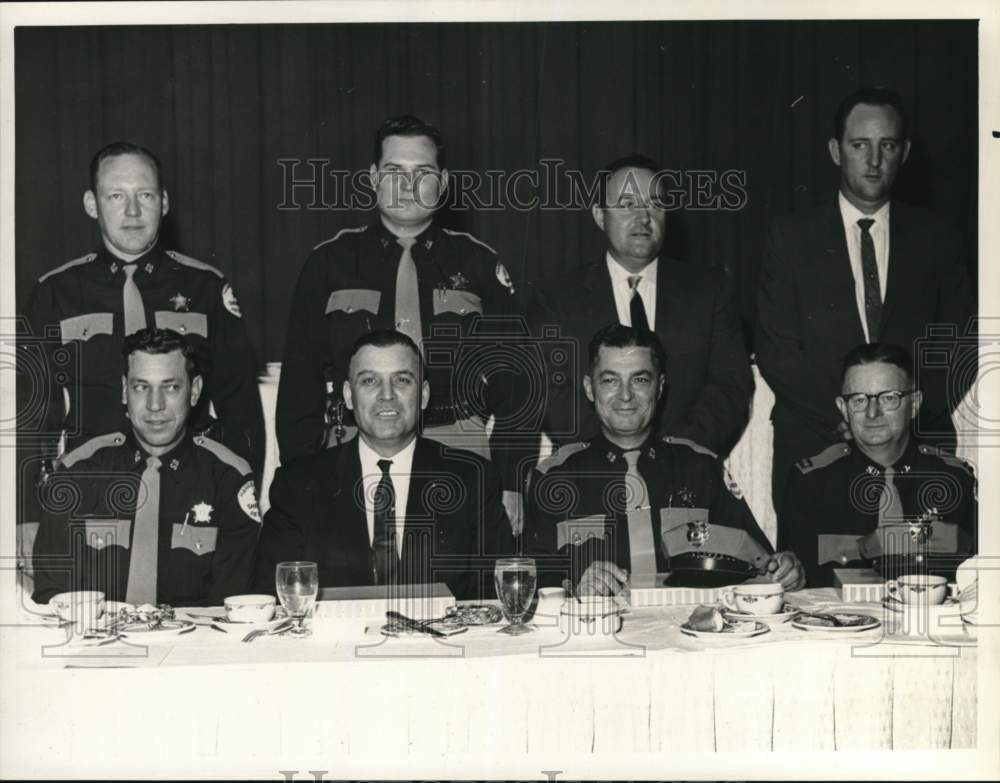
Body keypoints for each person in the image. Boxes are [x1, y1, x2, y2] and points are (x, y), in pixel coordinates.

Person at [276, 115, 536, 531]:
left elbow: (518, 387)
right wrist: (302, 475)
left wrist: (511, 480)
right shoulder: (329, 264)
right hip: (353, 449)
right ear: (374, 178)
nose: (409, 186)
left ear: (444, 183)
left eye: (423, 173)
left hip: (457, 450)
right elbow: (298, 387)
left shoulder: (480, 265)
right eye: (395, 172)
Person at [18, 142, 265, 524]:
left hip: (193, 497)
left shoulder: (206, 289)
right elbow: (33, 418)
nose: (132, 211)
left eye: (145, 195)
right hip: (90, 491)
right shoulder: (55, 293)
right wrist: (28, 516)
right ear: (91, 203)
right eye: (116, 195)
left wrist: (241, 501)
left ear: (164, 202)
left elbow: (242, 412)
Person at [755, 87, 974, 515]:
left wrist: (901, 416)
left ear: (904, 152)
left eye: (886, 145)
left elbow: (960, 343)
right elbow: (777, 349)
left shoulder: (939, 239)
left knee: (925, 576)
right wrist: (854, 417)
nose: (874, 160)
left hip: (917, 446)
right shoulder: (791, 237)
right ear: (837, 151)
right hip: (818, 445)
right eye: (860, 145)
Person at [523, 324, 803, 596]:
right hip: (598, 634)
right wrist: (574, 585)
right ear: (589, 388)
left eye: (640, 379)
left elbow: (760, 565)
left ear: (659, 388)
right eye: (609, 380)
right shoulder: (554, 478)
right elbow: (529, 580)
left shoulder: (702, 468)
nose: (625, 395)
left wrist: (786, 571)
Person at [257, 330, 510, 600]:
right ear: (348, 395)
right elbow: (272, 597)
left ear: (423, 395)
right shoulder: (297, 484)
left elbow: (493, 596)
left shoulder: (473, 479)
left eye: (402, 380)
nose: (386, 395)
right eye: (369, 381)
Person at [539, 154, 753, 458]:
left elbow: (729, 388)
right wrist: (613, 456)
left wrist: (671, 456)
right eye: (627, 205)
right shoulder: (557, 298)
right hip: (592, 473)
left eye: (655, 204)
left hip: (685, 469)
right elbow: (553, 394)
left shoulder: (710, 290)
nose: (643, 217)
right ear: (600, 215)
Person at [32, 328, 262, 606]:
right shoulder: (78, 473)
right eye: (141, 387)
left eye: (171, 387)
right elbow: (52, 596)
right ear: (124, 391)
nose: (155, 405)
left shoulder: (228, 478)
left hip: (193, 646)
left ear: (195, 391)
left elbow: (233, 605)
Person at [780, 343, 976, 588]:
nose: (873, 413)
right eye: (859, 400)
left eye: (888, 398)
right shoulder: (810, 483)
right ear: (843, 408)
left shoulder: (954, 479)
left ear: (914, 404)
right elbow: (794, 583)